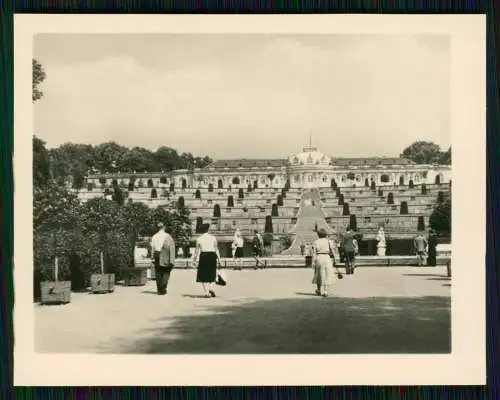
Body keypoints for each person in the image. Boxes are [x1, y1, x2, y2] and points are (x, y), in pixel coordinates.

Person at [191, 223, 221, 298]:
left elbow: (196, 252)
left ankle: (206, 292)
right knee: (212, 272)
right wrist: (219, 260)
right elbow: (216, 249)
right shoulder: (213, 238)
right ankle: (211, 288)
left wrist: (194, 261)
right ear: (208, 229)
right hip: (212, 255)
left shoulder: (199, 239)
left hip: (204, 255)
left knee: (202, 274)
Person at [150, 222, 176, 295]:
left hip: (157, 254)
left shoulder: (154, 236)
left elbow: (152, 247)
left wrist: (152, 257)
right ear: (164, 227)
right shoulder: (168, 236)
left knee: (158, 272)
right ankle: (163, 286)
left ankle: (159, 289)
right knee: (166, 270)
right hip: (165, 254)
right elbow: (172, 248)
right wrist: (172, 260)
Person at [311, 228, 336, 297]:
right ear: (325, 234)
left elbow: (314, 253)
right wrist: (335, 259)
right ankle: (325, 291)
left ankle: (319, 290)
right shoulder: (329, 241)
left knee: (319, 274)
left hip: (319, 257)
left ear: (318, 234)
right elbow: (333, 251)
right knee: (327, 274)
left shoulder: (315, 242)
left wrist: (313, 262)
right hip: (327, 257)